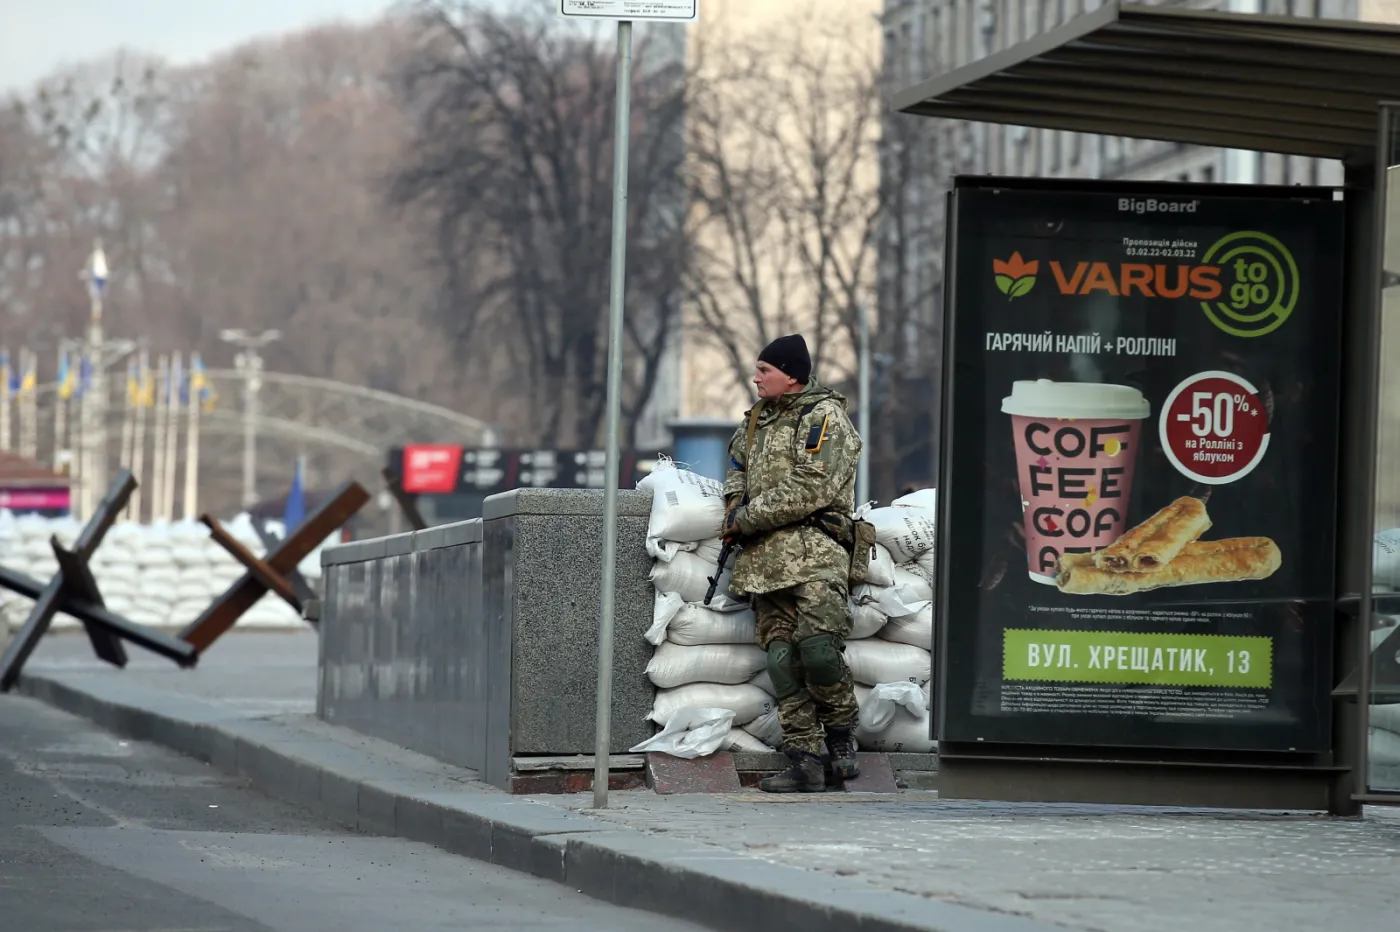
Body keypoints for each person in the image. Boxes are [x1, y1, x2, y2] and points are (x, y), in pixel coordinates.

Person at [721, 333, 863, 793]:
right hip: (764, 562)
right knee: (781, 660)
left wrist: (745, 518)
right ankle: (805, 758)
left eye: (765, 371)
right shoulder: (755, 421)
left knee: (819, 651)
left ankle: (841, 738)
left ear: (792, 376)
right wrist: (731, 507)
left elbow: (812, 488)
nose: (756, 378)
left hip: (816, 553)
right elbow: (737, 470)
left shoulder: (824, 417)